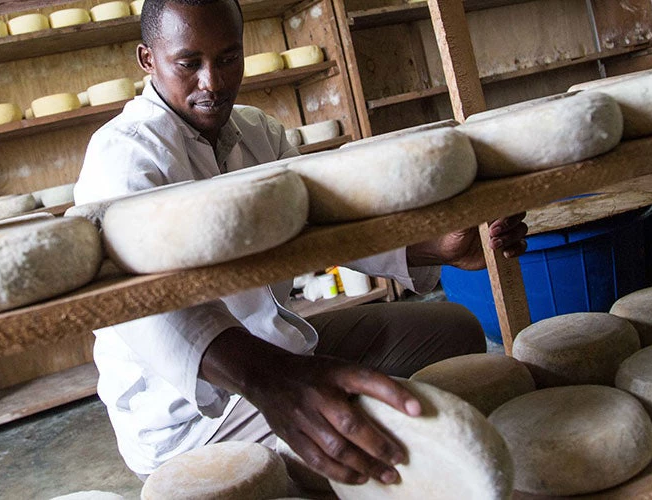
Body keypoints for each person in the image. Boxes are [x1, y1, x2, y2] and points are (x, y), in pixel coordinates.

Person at [72, 0, 528, 488]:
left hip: (274, 349)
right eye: (190, 64)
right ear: (148, 59)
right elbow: (148, 312)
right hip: (191, 413)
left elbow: (322, 226)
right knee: (378, 449)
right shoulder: (122, 158)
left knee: (454, 330)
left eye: (229, 58)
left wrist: (437, 247)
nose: (214, 82)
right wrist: (276, 382)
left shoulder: (257, 132)